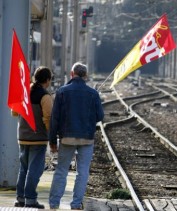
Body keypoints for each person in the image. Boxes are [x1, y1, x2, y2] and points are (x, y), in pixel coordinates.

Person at [48, 62, 104, 210]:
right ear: (85, 76)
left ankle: (54, 203)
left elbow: (55, 118)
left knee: (61, 170)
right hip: (86, 138)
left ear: (72, 74)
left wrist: (52, 140)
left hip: (67, 138)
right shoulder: (93, 93)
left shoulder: (62, 91)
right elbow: (100, 116)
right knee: (83, 172)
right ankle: (76, 203)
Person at [13, 66, 53, 209]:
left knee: (23, 168)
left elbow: (14, 112)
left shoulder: (24, 92)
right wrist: (51, 135)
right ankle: (30, 199)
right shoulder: (45, 96)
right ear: (47, 80)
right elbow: (48, 118)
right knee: (34, 169)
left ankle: (20, 198)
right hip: (38, 137)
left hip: (22, 136)